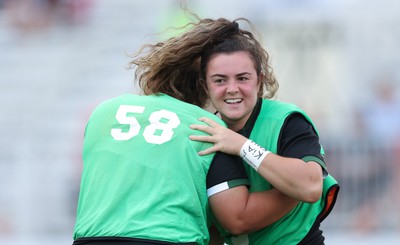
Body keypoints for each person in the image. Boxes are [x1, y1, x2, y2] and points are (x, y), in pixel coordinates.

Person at [71, 18, 299, 244]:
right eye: (218, 81)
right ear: (203, 85)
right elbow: (237, 218)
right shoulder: (206, 126)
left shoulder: (102, 112)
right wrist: (294, 194)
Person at [177, 17, 340, 244]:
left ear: (259, 81)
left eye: (242, 78)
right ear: (205, 85)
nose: (232, 89)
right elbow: (215, 225)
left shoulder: (287, 120)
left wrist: (242, 146)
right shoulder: (201, 131)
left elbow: (311, 186)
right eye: (220, 80)